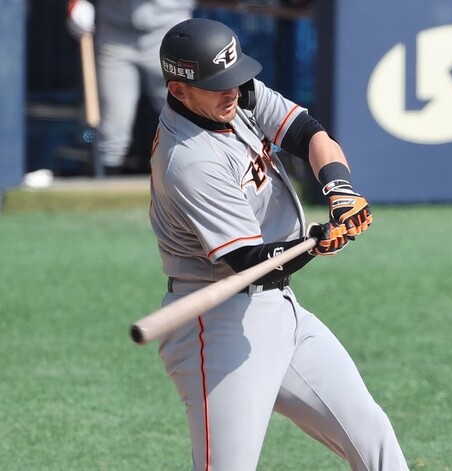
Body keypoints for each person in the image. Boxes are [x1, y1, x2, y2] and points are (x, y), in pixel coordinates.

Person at [148, 18, 409, 470]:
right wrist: (316, 242)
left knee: (369, 432)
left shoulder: (234, 97)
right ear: (179, 90)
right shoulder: (188, 160)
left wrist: (339, 191)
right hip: (218, 326)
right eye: (218, 84)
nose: (233, 90)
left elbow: (309, 133)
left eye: (234, 78)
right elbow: (251, 263)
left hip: (279, 311)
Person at [66, 0, 194, 175]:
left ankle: (197, 184)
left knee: (186, 120)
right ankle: (103, 192)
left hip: (169, 28)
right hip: (115, 33)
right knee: (112, 132)